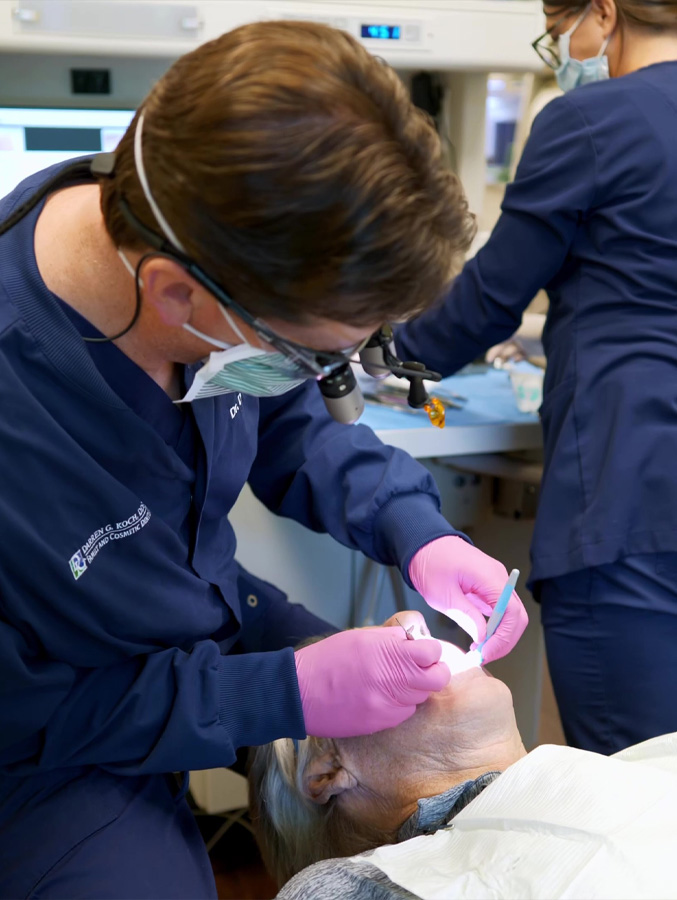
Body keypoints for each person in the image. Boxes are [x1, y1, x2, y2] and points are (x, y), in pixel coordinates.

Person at [0, 20, 529, 900]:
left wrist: (416, 530)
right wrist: (277, 693)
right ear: (176, 293)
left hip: (200, 629)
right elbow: (27, 709)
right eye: (315, 356)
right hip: (51, 737)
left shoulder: (208, 290)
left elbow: (290, 426)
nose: (320, 378)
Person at [395, 0, 677, 755]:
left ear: (604, 13)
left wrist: (385, 352)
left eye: (557, 32)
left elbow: (489, 299)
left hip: (633, 495)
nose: (561, 50)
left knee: (635, 788)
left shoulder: (589, 118)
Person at [250, 611, 677, 900]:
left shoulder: (643, 765)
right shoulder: (357, 887)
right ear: (327, 772)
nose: (407, 620)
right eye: (376, 668)